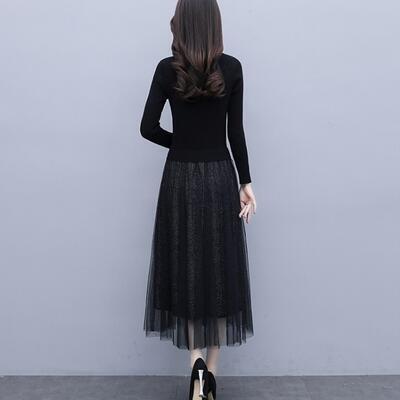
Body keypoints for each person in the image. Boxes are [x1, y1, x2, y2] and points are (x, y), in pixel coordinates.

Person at [140, 0, 257, 398]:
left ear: (182, 23)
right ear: (214, 23)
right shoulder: (233, 68)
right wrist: (246, 181)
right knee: (219, 271)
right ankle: (211, 376)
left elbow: (147, 128)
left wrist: (181, 144)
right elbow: (235, 132)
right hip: (220, 176)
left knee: (187, 268)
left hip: (179, 177)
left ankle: (195, 366)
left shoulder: (166, 69)